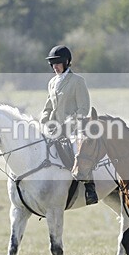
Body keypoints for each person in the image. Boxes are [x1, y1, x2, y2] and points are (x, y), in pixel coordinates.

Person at [41, 45, 98, 205]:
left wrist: (67, 124)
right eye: (53, 64)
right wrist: (44, 120)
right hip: (55, 128)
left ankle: (89, 187)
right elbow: (48, 106)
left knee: (78, 151)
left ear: (66, 62)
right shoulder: (52, 82)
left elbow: (84, 108)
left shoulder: (77, 81)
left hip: (74, 128)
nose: (55, 67)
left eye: (58, 63)